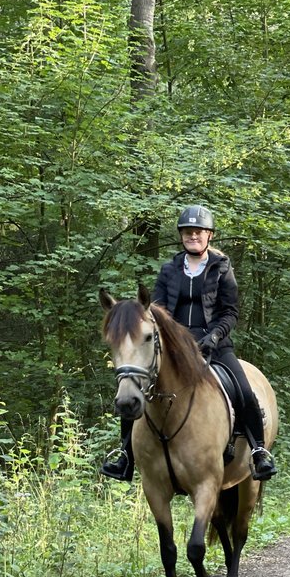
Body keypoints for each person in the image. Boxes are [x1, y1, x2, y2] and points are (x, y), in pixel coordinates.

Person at [101, 204, 278, 483]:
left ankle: (257, 451)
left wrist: (215, 336)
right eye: (187, 232)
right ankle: (125, 455)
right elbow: (156, 308)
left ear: (209, 235)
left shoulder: (222, 268)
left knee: (243, 389)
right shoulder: (170, 269)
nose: (192, 236)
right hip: (175, 346)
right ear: (181, 236)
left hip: (214, 343)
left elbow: (230, 311)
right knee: (134, 387)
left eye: (197, 232)